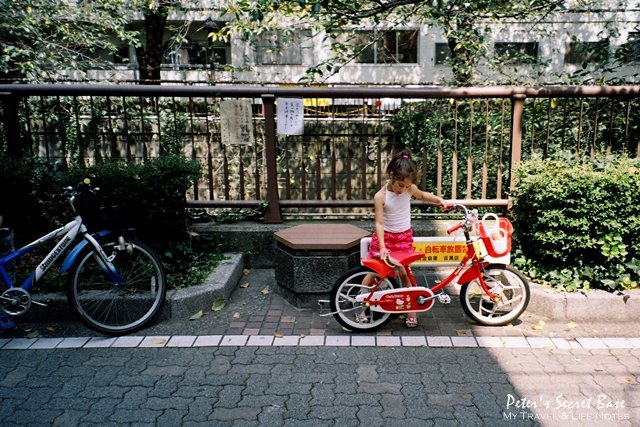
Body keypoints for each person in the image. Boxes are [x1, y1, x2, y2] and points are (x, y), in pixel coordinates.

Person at [366, 149, 446, 328]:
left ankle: (411, 310)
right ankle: (361, 305)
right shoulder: (381, 196)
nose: (402, 190)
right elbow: (379, 223)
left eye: (406, 186)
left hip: (403, 238)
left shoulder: (410, 189)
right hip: (385, 239)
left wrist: (440, 201)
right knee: (375, 273)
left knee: (405, 273)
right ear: (391, 175)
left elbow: (423, 196)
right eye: (400, 185)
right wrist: (383, 246)